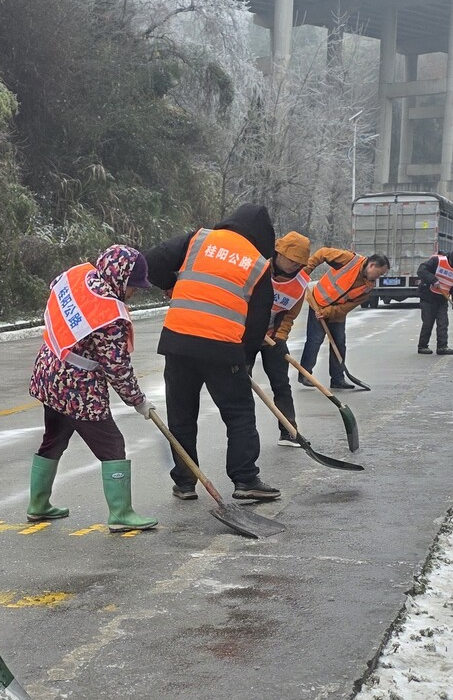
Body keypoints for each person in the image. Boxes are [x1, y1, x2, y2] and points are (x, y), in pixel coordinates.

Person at [145, 204, 281, 502]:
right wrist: (244, 359)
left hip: (178, 342)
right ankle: (245, 480)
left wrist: (173, 283)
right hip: (222, 347)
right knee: (239, 415)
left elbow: (151, 262)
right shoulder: (258, 264)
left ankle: (184, 482)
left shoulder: (198, 239)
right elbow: (258, 321)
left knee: (181, 416)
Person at [24, 244, 159, 532]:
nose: (134, 292)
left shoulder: (78, 276)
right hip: (78, 389)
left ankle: (38, 505)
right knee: (112, 445)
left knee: (54, 438)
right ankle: (121, 514)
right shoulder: (109, 314)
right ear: (120, 278)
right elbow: (117, 367)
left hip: (50, 371)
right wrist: (139, 401)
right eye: (133, 286)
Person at [298, 248, 391, 389]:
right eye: (379, 274)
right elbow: (322, 253)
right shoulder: (349, 259)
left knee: (339, 344)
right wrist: (305, 271)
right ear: (372, 265)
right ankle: (305, 374)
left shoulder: (367, 287)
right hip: (318, 301)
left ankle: (337, 379)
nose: (378, 278)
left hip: (336, 314)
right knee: (315, 340)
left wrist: (328, 312)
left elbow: (347, 307)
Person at [261, 231, 316, 446]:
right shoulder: (259, 268)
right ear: (278, 252)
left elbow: (289, 316)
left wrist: (279, 336)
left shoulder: (300, 282)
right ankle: (243, 436)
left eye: (298, 263)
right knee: (240, 384)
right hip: (245, 334)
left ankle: (289, 431)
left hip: (274, 334)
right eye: (291, 260)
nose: (294, 265)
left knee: (281, 384)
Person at [419, 245, 453, 355]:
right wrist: (433, 280)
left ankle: (442, 347)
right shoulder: (437, 261)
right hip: (428, 297)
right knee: (428, 322)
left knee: (443, 323)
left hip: (442, 299)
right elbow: (422, 270)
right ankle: (422, 346)